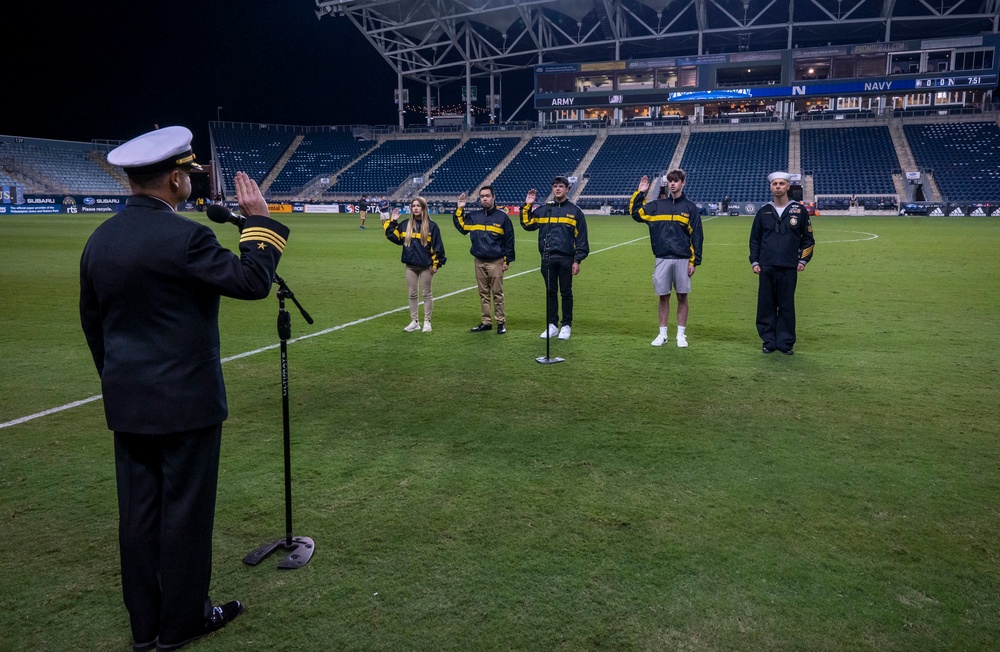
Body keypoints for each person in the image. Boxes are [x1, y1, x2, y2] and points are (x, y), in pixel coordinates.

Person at [79, 126, 290, 651]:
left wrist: (119, 380)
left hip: (128, 403)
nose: (192, 181)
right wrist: (260, 222)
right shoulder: (186, 237)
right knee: (186, 517)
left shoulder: (99, 239)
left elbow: (93, 325)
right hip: (187, 406)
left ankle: (144, 628)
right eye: (189, 174)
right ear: (174, 179)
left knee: (139, 517)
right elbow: (251, 283)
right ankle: (182, 625)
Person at [630, 170, 703, 347]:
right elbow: (636, 213)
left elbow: (697, 236)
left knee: (682, 296)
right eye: (670, 181)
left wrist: (694, 261)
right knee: (663, 296)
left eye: (676, 181)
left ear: (683, 183)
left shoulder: (690, 208)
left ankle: (681, 334)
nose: (672, 184)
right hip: (662, 257)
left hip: (683, 258)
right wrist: (640, 192)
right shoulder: (657, 205)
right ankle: (662, 334)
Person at [749, 171, 815, 355]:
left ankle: (785, 343)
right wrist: (755, 261)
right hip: (766, 266)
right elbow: (755, 240)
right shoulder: (763, 212)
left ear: (788, 186)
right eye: (775, 184)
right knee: (766, 305)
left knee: (786, 305)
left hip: (788, 266)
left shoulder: (799, 211)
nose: (778, 186)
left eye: (781, 184)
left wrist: (803, 259)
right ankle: (768, 341)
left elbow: (808, 239)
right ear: (771, 187)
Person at [520, 176, 589, 340]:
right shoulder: (544, 210)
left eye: (561, 186)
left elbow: (581, 239)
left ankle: (566, 325)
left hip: (566, 258)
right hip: (547, 257)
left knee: (566, 292)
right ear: (552, 189)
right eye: (555, 186)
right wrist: (528, 205)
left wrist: (577, 260)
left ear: (567, 189)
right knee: (550, 292)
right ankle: (552, 325)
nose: (558, 189)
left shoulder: (575, 212)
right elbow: (527, 224)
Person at [453, 185, 516, 334]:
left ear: (494, 197)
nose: (485, 199)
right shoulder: (474, 217)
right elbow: (461, 226)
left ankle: (501, 322)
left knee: (497, 293)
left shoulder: (502, 217)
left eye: (487, 196)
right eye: (482, 196)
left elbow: (509, 240)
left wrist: (507, 260)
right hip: (479, 260)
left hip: (496, 261)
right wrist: (460, 208)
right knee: (483, 293)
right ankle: (486, 322)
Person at [383, 197, 446, 332]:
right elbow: (393, 237)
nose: (416, 208)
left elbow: (438, 247)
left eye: (418, 206)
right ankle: (414, 321)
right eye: (414, 206)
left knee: (426, 294)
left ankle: (427, 322)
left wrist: (436, 265)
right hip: (410, 265)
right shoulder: (405, 224)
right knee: (412, 294)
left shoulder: (432, 226)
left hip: (426, 266)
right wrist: (393, 221)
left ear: (423, 208)